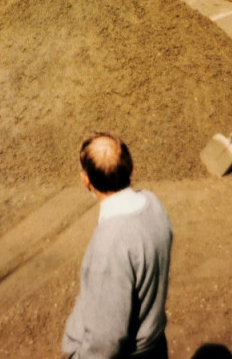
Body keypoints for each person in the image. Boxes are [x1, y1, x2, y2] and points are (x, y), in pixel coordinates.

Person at [62, 132, 173, 359]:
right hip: (155, 345)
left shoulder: (109, 248)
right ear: (131, 169)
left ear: (86, 182)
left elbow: (106, 341)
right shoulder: (152, 203)